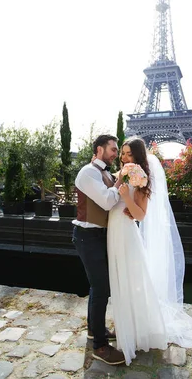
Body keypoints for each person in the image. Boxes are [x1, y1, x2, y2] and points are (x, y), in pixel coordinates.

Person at [108, 138, 192, 365]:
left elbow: (140, 215)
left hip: (126, 233)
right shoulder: (123, 174)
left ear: (138, 157)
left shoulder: (141, 180)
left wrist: (125, 197)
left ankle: (136, 332)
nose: (124, 158)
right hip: (114, 232)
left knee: (131, 281)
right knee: (121, 281)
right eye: (122, 154)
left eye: (128, 154)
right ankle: (127, 327)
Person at [72, 134, 125, 365]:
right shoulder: (88, 173)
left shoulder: (106, 173)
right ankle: (100, 348)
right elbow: (106, 201)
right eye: (113, 149)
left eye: (116, 150)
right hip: (87, 236)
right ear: (99, 149)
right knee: (101, 287)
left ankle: (95, 330)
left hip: (100, 236)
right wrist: (121, 180)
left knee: (100, 287)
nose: (116, 153)